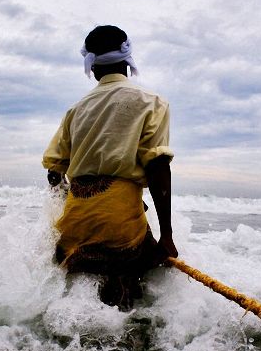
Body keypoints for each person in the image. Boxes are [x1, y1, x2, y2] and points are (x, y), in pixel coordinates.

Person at [42, 25, 178, 309]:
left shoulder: (76, 110)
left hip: (74, 219)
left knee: (78, 305)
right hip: (119, 221)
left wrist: (68, 206)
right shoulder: (151, 103)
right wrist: (166, 236)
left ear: (91, 66)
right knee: (132, 302)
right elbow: (157, 167)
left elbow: (55, 171)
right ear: (127, 58)